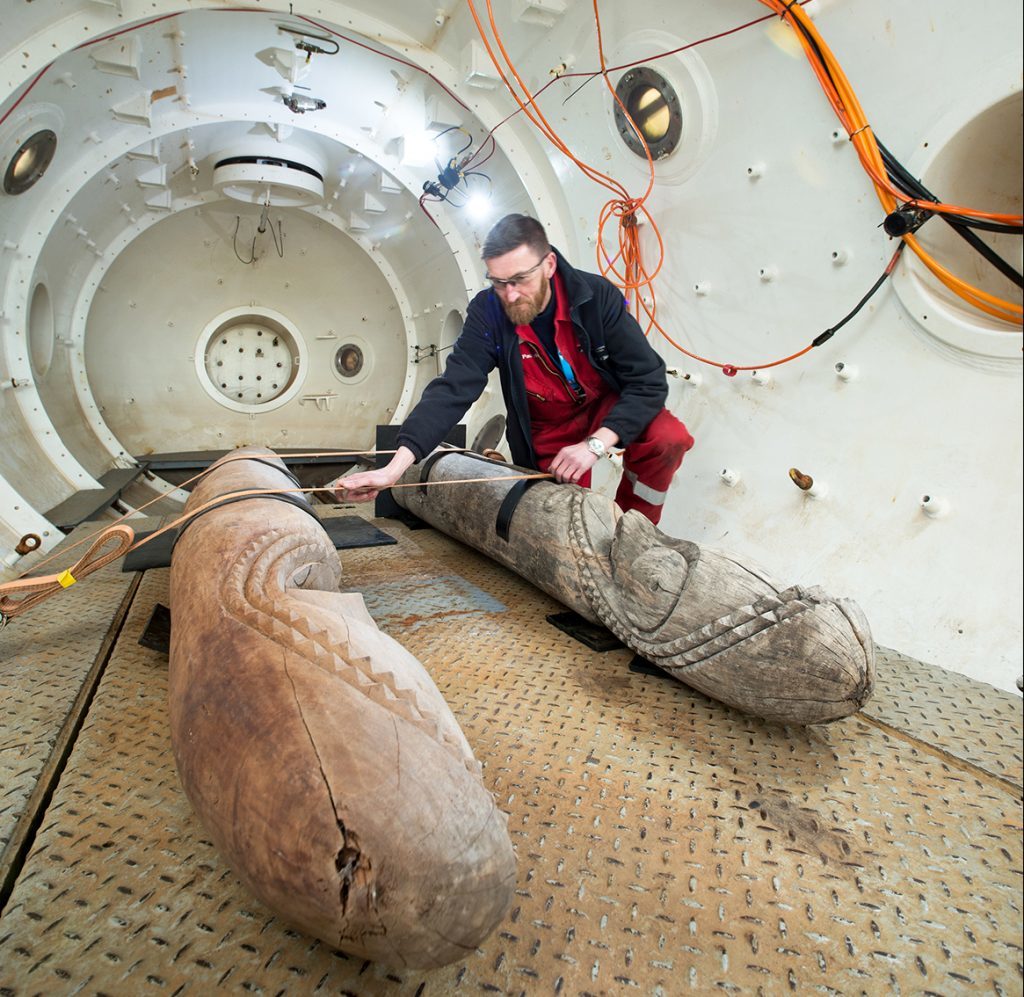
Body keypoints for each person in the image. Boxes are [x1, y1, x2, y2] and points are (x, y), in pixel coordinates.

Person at [334, 213, 694, 525]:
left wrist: (595, 445)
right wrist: (394, 471)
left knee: (667, 437)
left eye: (519, 280)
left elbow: (647, 380)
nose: (509, 294)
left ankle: (637, 531)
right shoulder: (488, 311)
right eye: (498, 281)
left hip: (604, 406)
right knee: (556, 514)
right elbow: (453, 389)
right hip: (545, 423)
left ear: (549, 266)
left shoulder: (597, 297)